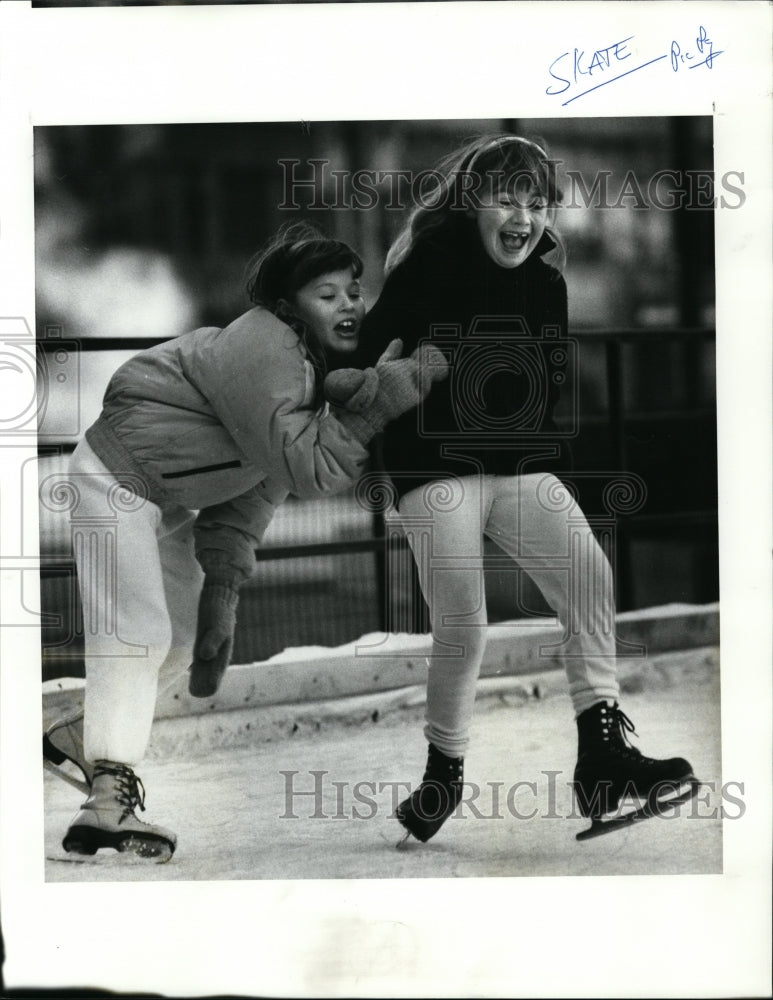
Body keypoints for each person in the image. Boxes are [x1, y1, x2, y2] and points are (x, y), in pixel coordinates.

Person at [43, 222, 447, 860]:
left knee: (175, 641)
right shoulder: (265, 347)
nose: (348, 305)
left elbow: (254, 491)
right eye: (327, 294)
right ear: (289, 305)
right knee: (138, 631)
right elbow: (307, 470)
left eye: (352, 292)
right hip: (111, 478)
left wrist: (223, 588)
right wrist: (376, 407)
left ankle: (78, 738)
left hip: (163, 496)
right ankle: (108, 803)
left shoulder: (309, 373)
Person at [354, 135, 697, 842]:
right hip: (434, 467)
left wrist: (538, 458)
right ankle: (441, 780)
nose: (524, 216)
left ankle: (602, 757)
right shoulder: (428, 260)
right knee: (464, 622)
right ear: (472, 201)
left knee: (589, 577)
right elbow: (366, 359)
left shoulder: (546, 279)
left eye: (537, 203)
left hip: (518, 466)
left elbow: (547, 382)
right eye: (506, 198)